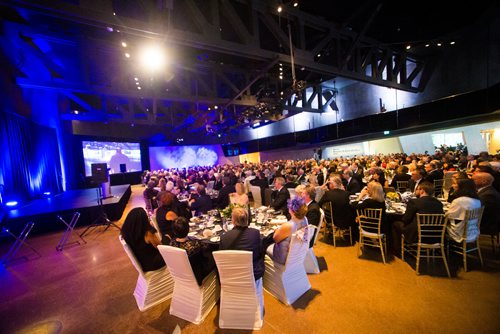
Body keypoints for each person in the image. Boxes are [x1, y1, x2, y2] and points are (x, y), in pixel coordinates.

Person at [392, 182, 444, 254]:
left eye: (417, 189)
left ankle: (397, 251)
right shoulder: (439, 203)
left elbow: (406, 219)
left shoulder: (414, 202)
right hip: (436, 236)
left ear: (422, 191)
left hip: (417, 235)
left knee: (395, 224)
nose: (416, 191)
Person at [219, 207, 264, 281]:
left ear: (233, 221)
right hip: (253, 275)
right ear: (247, 219)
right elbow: (260, 252)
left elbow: (222, 258)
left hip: (231, 276)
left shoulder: (224, 237)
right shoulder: (255, 233)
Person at [169, 217, 215, 285]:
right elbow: (207, 249)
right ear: (188, 229)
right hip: (198, 275)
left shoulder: (171, 243)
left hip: (181, 274)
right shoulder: (195, 244)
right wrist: (206, 237)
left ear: (173, 231)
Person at [266, 197, 309, 265]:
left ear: (291, 210)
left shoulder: (288, 226)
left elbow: (275, 239)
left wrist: (277, 230)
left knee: (265, 246)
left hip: (284, 258)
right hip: (297, 255)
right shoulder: (305, 220)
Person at [121, 207, 165, 272]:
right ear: (143, 220)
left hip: (144, 263)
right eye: (147, 217)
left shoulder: (127, 233)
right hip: (154, 263)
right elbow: (160, 247)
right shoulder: (148, 233)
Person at [445, 179, 482, 243]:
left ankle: (442, 248)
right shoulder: (477, 201)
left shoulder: (459, 201)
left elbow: (449, 216)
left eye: (456, 185)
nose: (454, 186)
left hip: (459, 232)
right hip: (472, 230)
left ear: (461, 188)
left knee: (439, 226)